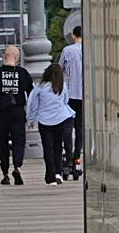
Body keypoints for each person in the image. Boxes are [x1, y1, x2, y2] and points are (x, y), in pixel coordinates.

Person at [0, 44, 32, 186]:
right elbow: (31, 94)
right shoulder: (23, 73)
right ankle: (17, 167)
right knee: (19, 141)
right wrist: (32, 115)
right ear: (17, 58)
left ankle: (5, 173)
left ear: (5, 56)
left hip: (2, 112)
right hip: (18, 111)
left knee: (3, 143)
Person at [29, 59, 76, 186]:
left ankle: (50, 176)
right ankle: (58, 173)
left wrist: (31, 119)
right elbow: (66, 101)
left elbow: (33, 104)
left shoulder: (39, 87)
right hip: (60, 119)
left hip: (44, 121)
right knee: (57, 148)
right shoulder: (62, 86)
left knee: (47, 149)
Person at [60, 26, 84, 175]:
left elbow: (59, 70)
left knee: (67, 128)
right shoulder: (91, 50)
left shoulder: (67, 51)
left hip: (70, 95)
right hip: (85, 96)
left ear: (74, 36)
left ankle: (68, 159)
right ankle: (77, 158)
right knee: (80, 129)